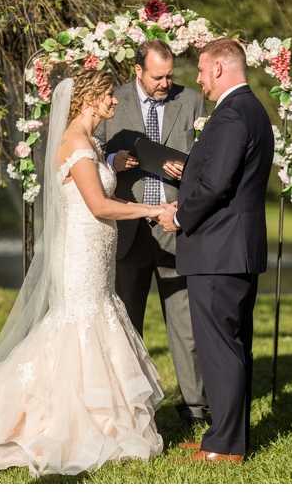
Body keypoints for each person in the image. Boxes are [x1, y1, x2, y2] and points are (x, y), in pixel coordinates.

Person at [0, 69, 169, 475]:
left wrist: (111, 163)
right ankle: (66, 420)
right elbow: (100, 207)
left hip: (95, 255)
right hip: (80, 257)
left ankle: (104, 418)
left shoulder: (88, 143)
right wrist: (153, 209)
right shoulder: (75, 142)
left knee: (93, 325)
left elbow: (90, 176)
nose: (116, 101)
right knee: (77, 328)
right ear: (88, 100)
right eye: (108, 94)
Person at [160, 38, 273, 464]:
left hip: (218, 249)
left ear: (221, 69)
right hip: (234, 248)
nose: (199, 80)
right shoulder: (252, 110)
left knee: (220, 346)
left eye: (204, 71)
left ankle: (224, 446)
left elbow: (217, 184)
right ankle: (226, 437)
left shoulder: (231, 115)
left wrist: (179, 217)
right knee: (234, 344)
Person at [94, 39, 209, 428]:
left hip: (175, 226)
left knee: (185, 325)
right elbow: (88, 152)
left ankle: (194, 408)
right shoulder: (113, 100)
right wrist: (114, 159)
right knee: (127, 324)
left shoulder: (192, 101)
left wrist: (187, 169)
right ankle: (132, 409)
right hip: (128, 230)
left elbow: (209, 159)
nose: (165, 83)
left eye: (169, 76)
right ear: (138, 71)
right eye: (157, 77)